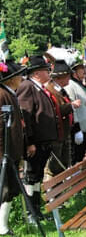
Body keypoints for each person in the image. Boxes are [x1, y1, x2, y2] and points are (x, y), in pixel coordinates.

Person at [17, 55, 59, 222]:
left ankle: (37, 211)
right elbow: (25, 118)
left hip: (44, 142)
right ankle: (31, 213)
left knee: (37, 177)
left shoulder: (39, 87)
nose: (49, 72)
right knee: (31, 177)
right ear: (36, 73)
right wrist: (30, 142)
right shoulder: (28, 87)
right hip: (35, 143)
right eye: (45, 70)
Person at [0, 60, 26, 235]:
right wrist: (4, 154)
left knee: (10, 189)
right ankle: (2, 226)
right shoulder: (2, 95)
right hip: (4, 153)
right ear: (11, 78)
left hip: (11, 151)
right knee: (5, 188)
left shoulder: (10, 93)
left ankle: (4, 224)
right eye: (19, 75)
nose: (22, 78)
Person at [45, 60, 81, 177]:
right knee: (54, 166)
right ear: (60, 77)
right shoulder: (50, 90)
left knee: (64, 163)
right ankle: (52, 192)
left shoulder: (61, 90)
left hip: (65, 132)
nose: (69, 80)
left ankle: (62, 191)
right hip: (56, 134)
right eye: (67, 77)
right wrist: (72, 105)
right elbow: (56, 110)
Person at [65, 59, 86, 164]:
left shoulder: (80, 84)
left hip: (85, 127)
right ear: (74, 72)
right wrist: (77, 129)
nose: (85, 71)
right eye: (81, 68)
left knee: (80, 156)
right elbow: (73, 108)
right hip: (79, 128)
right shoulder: (70, 85)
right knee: (75, 157)